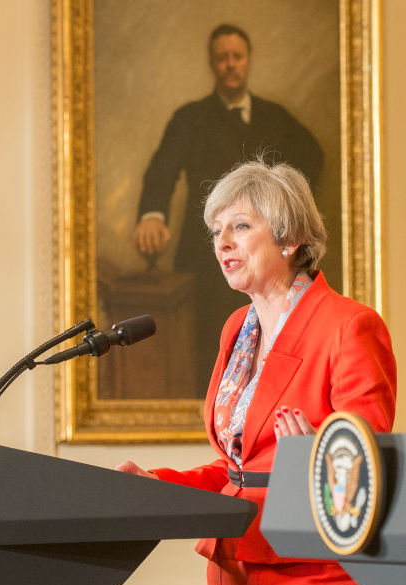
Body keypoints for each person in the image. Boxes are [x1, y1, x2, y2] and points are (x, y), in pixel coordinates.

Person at [118, 161, 394, 585]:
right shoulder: (236, 330)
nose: (222, 243)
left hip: (313, 572)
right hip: (232, 568)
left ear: (289, 238)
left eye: (240, 226)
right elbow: (239, 471)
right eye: (216, 232)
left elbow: (368, 468)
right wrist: (158, 487)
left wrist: (317, 457)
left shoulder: (349, 326)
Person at [133, 23, 324, 397]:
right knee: (210, 339)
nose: (230, 64)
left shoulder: (275, 117)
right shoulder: (190, 118)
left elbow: (313, 157)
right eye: (222, 58)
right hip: (204, 259)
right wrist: (152, 215)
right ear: (212, 64)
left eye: (236, 57)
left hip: (267, 255)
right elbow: (162, 171)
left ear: (248, 61)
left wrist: (286, 211)